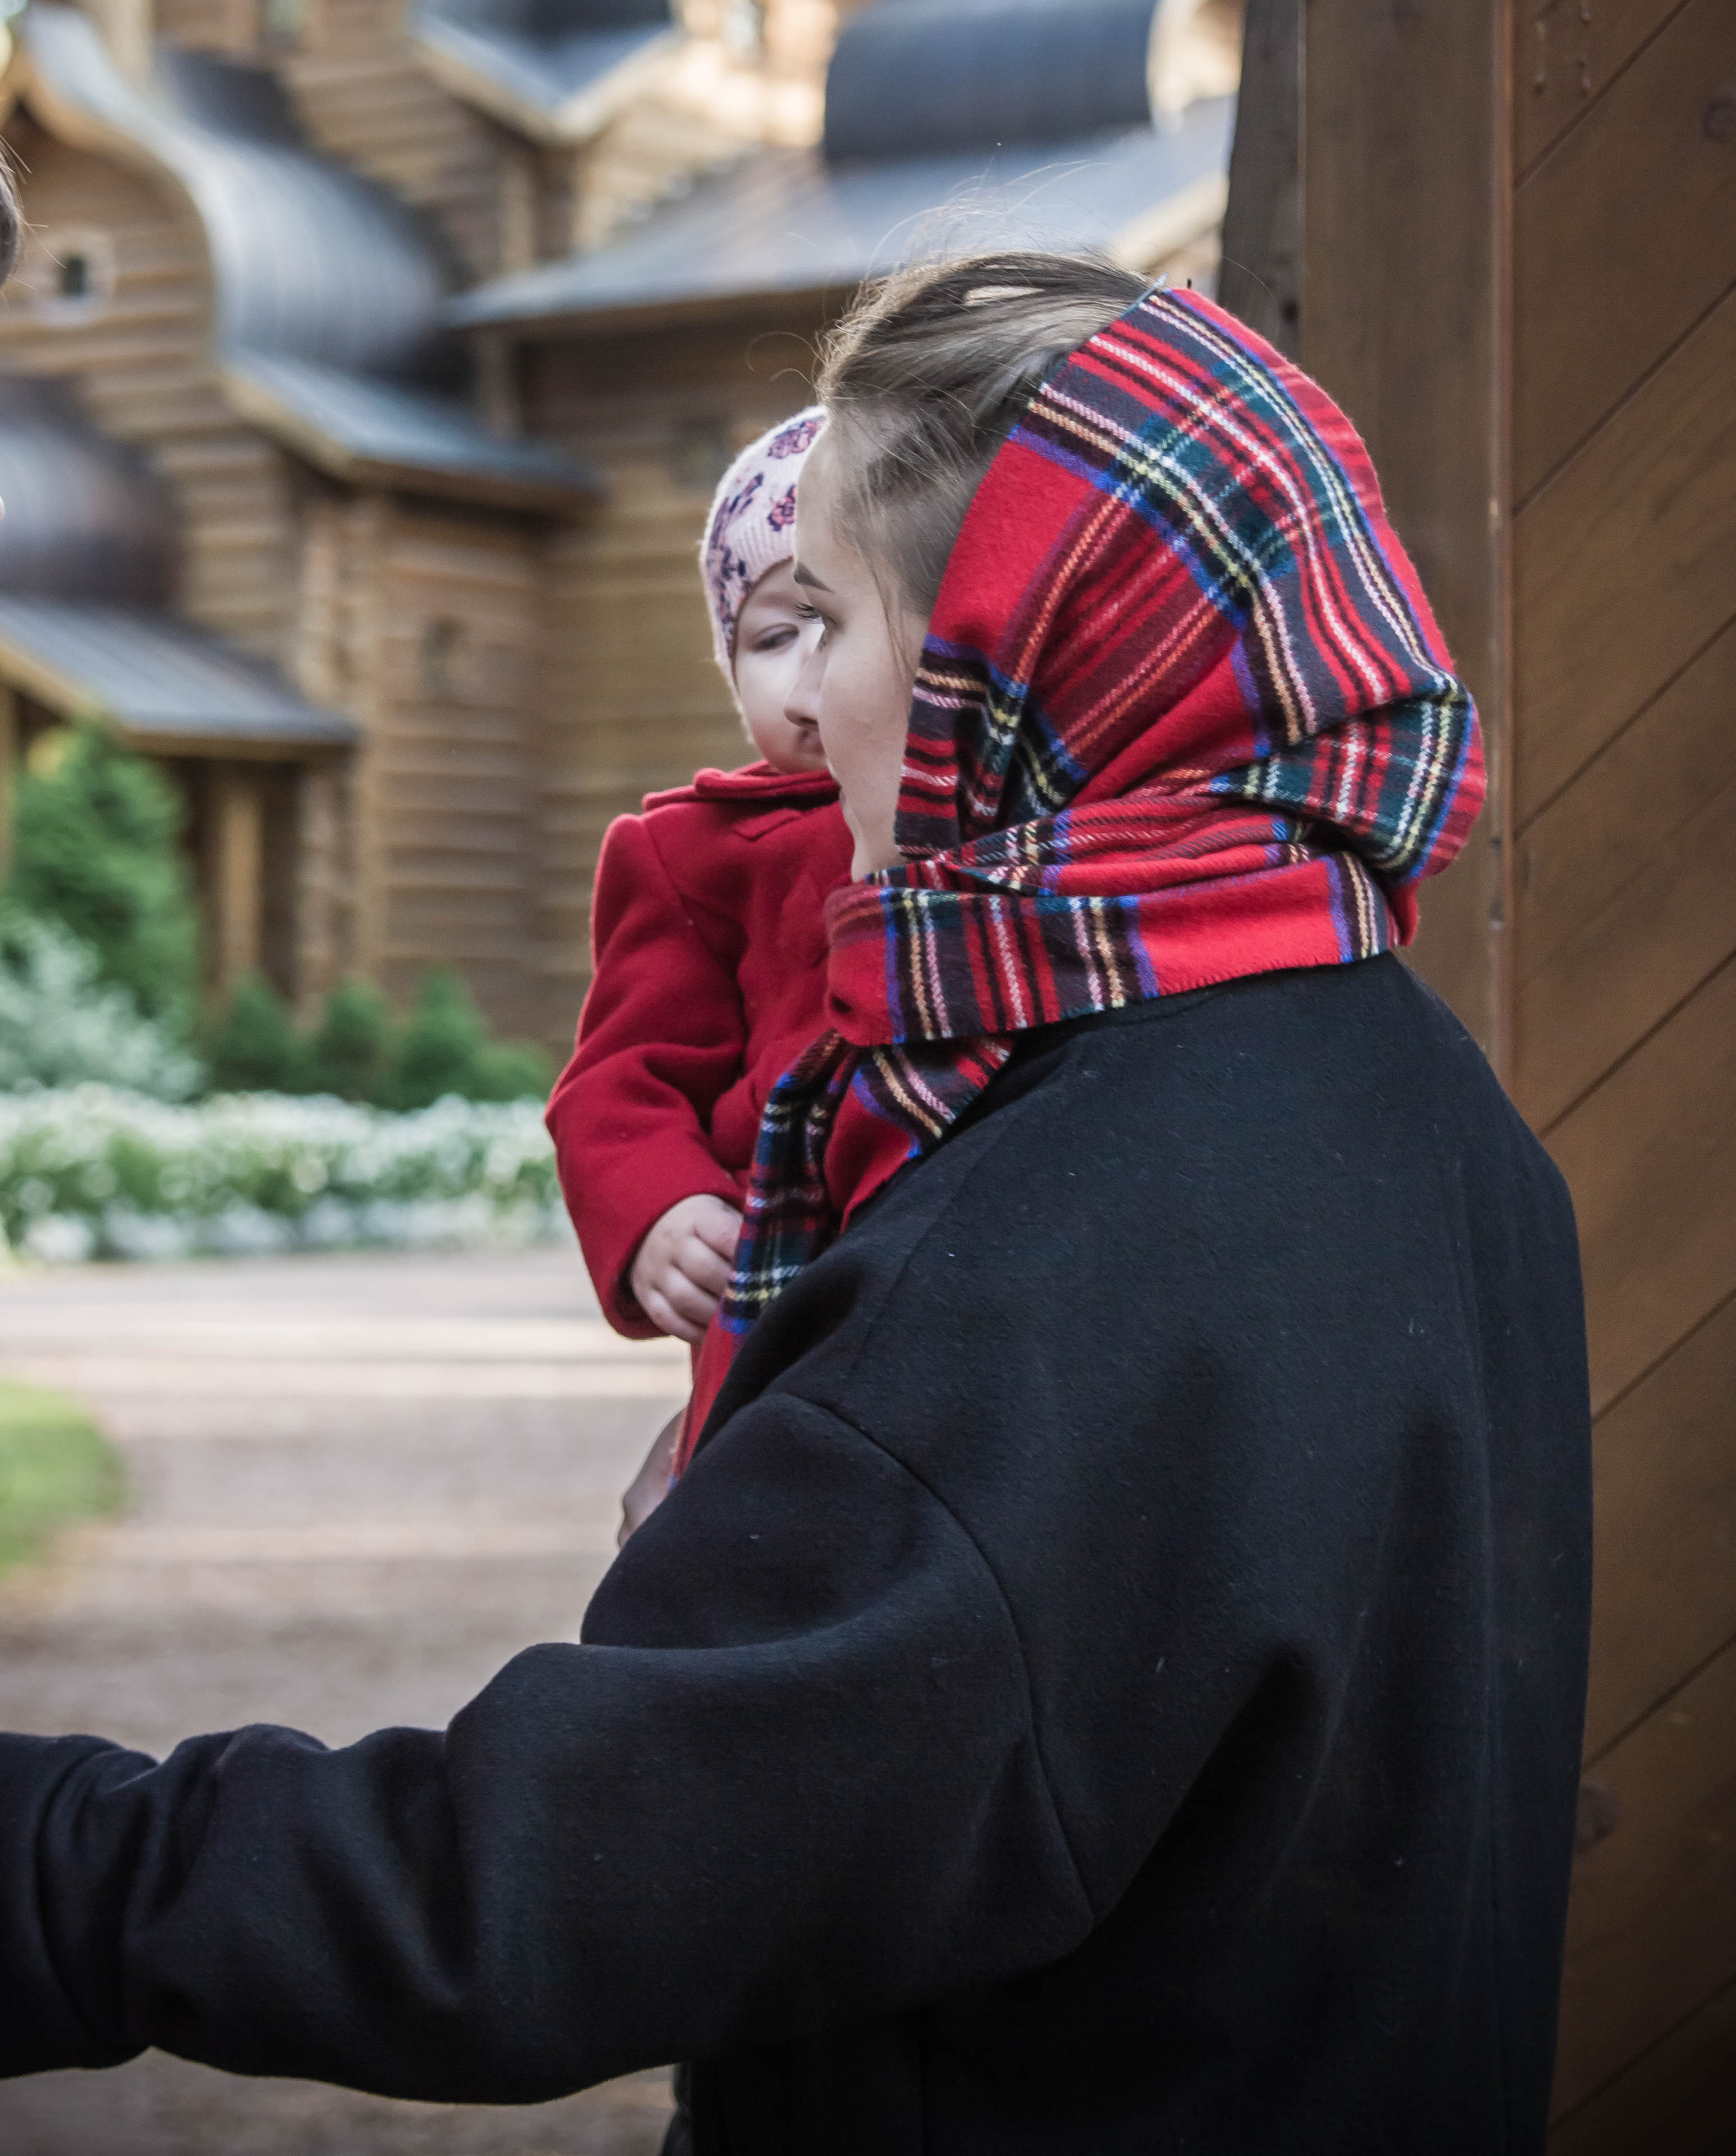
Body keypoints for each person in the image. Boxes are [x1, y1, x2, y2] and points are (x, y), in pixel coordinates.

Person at [0, 257, 1592, 2155]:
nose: (788, 703)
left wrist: (48, 1866)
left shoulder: (1057, 1253)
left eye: (824, 617)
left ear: (1020, 657)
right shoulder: (1421, 1103)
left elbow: (548, 1888)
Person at [546, 409, 851, 1526]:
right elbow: (620, 1079)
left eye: (842, 621)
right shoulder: (693, 853)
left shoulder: (991, 822)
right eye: (774, 636)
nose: (812, 670)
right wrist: (661, 1209)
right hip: (776, 1270)